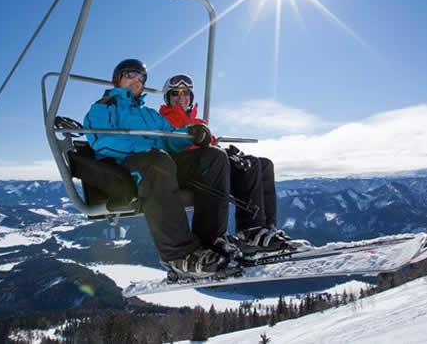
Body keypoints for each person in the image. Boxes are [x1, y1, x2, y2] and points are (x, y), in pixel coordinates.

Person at [84, 59, 240, 279]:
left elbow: (169, 137)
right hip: (126, 165)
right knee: (157, 162)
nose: (136, 80)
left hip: (160, 161)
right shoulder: (103, 107)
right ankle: (177, 255)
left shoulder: (149, 114)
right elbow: (101, 141)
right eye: (130, 74)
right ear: (117, 78)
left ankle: (210, 241)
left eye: (141, 78)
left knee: (214, 157)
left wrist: (191, 134)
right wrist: (145, 147)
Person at [158, 73, 311, 258]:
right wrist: (200, 141)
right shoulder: (162, 119)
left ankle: (259, 230)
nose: (181, 97)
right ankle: (215, 238)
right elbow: (169, 143)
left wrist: (230, 155)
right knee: (219, 158)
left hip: (209, 163)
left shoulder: (198, 122)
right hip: (184, 168)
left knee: (258, 164)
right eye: (175, 93)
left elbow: (211, 147)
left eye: (186, 93)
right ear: (167, 97)